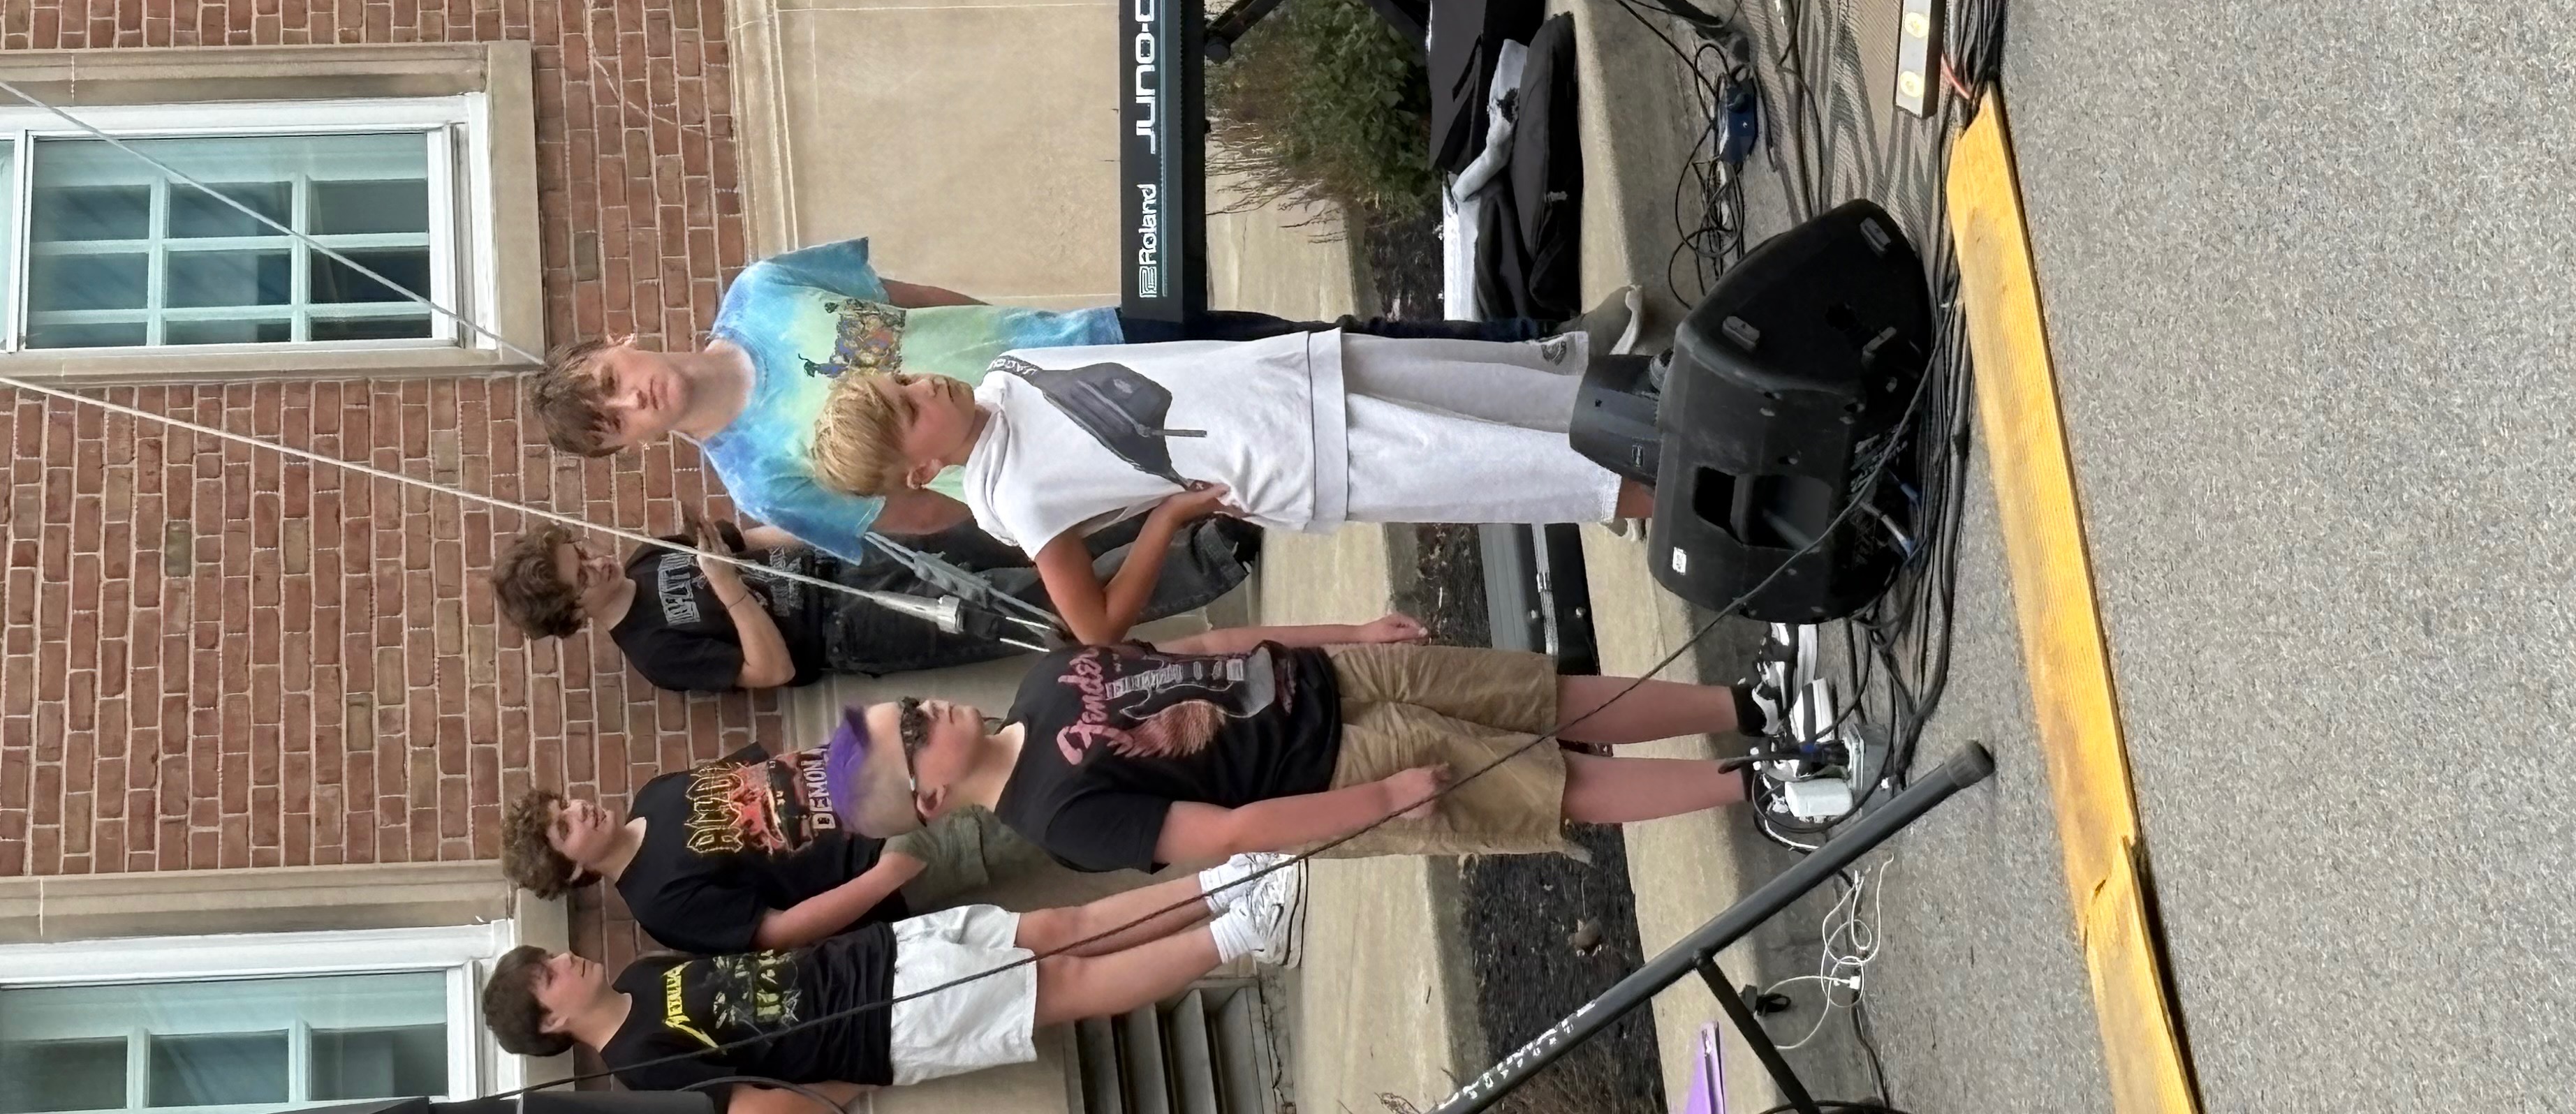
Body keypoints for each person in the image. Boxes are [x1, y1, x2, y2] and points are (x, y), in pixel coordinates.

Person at [522, 233, 1594, 558]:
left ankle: (1538, 352)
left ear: (621, 342)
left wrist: (1010, 332)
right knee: (1328, 433)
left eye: (611, 381)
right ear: (629, 448)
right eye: (617, 420)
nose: (635, 397)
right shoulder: (763, 482)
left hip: (1083, 343)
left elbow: (909, 294)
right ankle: (1574, 447)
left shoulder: (765, 288)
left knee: (1315, 348)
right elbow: (920, 512)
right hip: (1094, 439)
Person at [802, 326, 1651, 646]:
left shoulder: (1002, 372)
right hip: (1300, 461)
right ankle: (1690, 494)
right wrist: (1168, 519)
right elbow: (1094, 626)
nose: (925, 386)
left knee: (1497, 389)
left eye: (904, 380)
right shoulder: (1009, 498)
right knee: (1513, 467)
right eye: (910, 409)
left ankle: (1660, 407)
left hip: (1296, 374)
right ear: (922, 470)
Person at [824, 618, 1776, 875]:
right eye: (911, 736)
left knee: (1541, 694)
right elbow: (1230, 834)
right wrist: (1383, 802)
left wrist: (1343, 632)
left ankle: (1748, 705)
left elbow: (1204, 647)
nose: (927, 712)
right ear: (928, 803)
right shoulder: (1059, 820)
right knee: (1545, 784)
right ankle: (1762, 784)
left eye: (908, 706)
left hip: (1324, 677)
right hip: (1330, 772)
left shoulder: (1040, 682)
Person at [478, 857, 1305, 1106]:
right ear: (550, 1025)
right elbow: (756, 1105)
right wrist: (860, 1072)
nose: (564, 961)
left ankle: (1224, 884)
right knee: (1064, 985)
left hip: (874, 956)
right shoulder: (639, 1066)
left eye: (548, 957)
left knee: (1059, 927)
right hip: (882, 1023)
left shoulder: (641, 970)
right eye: (547, 977)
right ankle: (1247, 932)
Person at [498, 741, 1044, 956]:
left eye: (565, 804)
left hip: (886, 781)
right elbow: (780, 932)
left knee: (1034, 749)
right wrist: (886, 876)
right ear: (575, 872)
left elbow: (770, 770)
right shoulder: (658, 905)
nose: (579, 809)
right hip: (887, 854)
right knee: (1046, 808)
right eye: (564, 827)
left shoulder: (654, 795)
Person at [489, 515, 1073, 691]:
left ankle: (1127, 518)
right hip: (844, 627)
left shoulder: (644, 557)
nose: (596, 561)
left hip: (843, 555)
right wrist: (728, 589)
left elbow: (749, 540)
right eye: (581, 576)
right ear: (573, 614)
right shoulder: (654, 654)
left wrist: (843, 520)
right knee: (1032, 605)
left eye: (581, 550)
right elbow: (771, 671)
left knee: (1012, 533)